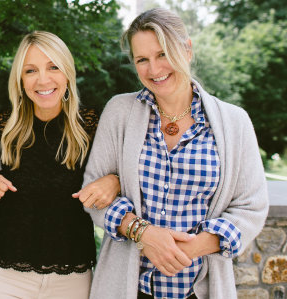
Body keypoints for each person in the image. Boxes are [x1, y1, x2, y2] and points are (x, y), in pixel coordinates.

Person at [79, 8, 269, 299]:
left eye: (163, 54)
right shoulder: (119, 112)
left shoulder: (234, 121)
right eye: (142, 59)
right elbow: (92, 197)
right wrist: (143, 234)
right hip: (129, 288)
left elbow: (251, 208)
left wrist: (188, 249)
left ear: (187, 49)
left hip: (201, 288)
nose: (154, 70)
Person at [0, 31, 120, 299]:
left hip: (72, 276)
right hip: (5, 275)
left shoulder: (93, 126)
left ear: (67, 73)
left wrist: (115, 181)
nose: (43, 79)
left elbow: (126, 176)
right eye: (31, 70)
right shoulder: (2, 127)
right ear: (20, 78)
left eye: (53, 67)